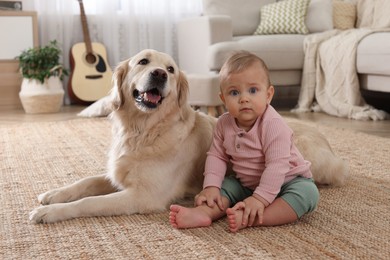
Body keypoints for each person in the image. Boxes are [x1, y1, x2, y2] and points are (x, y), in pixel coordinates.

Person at [169, 51, 319, 232]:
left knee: (308, 194)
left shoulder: (273, 125)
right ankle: (203, 213)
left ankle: (254, 218)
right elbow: (217, 156)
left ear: (268, 94)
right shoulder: (224, 124)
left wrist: (260, 199)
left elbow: (277, 166)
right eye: (234, 92)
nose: (244, 98)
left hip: (287, 182)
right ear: (223, 99)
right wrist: (211, 187)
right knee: (226, 187)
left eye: (253, 90)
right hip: (247, 183)